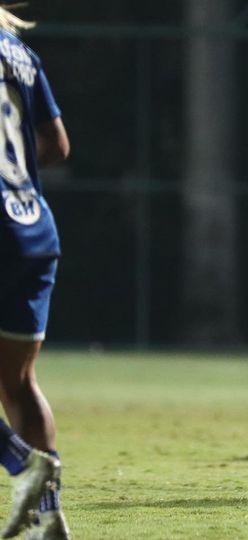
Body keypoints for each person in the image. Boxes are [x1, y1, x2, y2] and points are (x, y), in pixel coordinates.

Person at [0, 6, 71, 540]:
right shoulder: (21, 52)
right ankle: (49, 518)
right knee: (18, 383)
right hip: (33, 229)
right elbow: (56, 146)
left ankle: (22, 463)